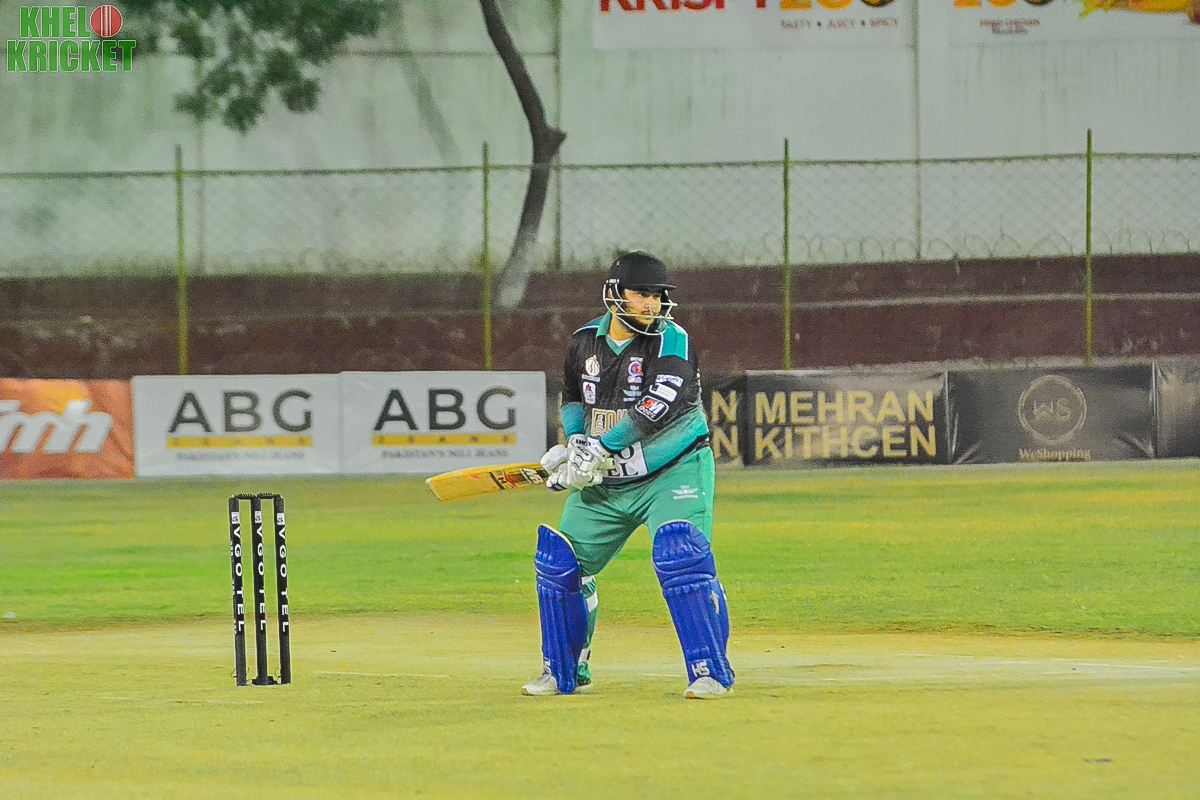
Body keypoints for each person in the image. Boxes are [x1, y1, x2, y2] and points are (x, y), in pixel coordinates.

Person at [521, 251, 734, 700]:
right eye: (641, 294)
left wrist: (599, 448)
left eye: (657, 296)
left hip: (671, 470)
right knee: (560, 563)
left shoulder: (672, 340)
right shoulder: (583, 341)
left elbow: (655, 408)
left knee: (680, 554)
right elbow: (573, 398)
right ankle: (562, 671)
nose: (651, 304)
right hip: (608, 482)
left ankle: (710, 672)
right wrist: (577, 445)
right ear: (615, 294)